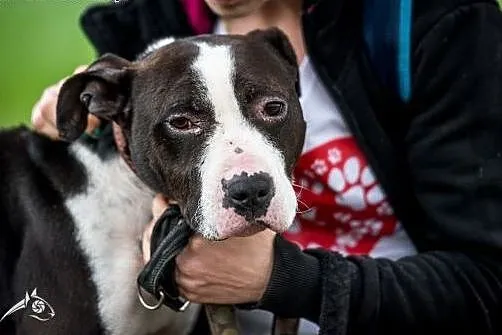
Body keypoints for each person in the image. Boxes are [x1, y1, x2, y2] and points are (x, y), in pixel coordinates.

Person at [32, 0, 502, 334]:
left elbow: (488, 283)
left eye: (273, 110)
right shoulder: (150, 26)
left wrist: (287, 280)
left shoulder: (428, 24)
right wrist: (85, 115)